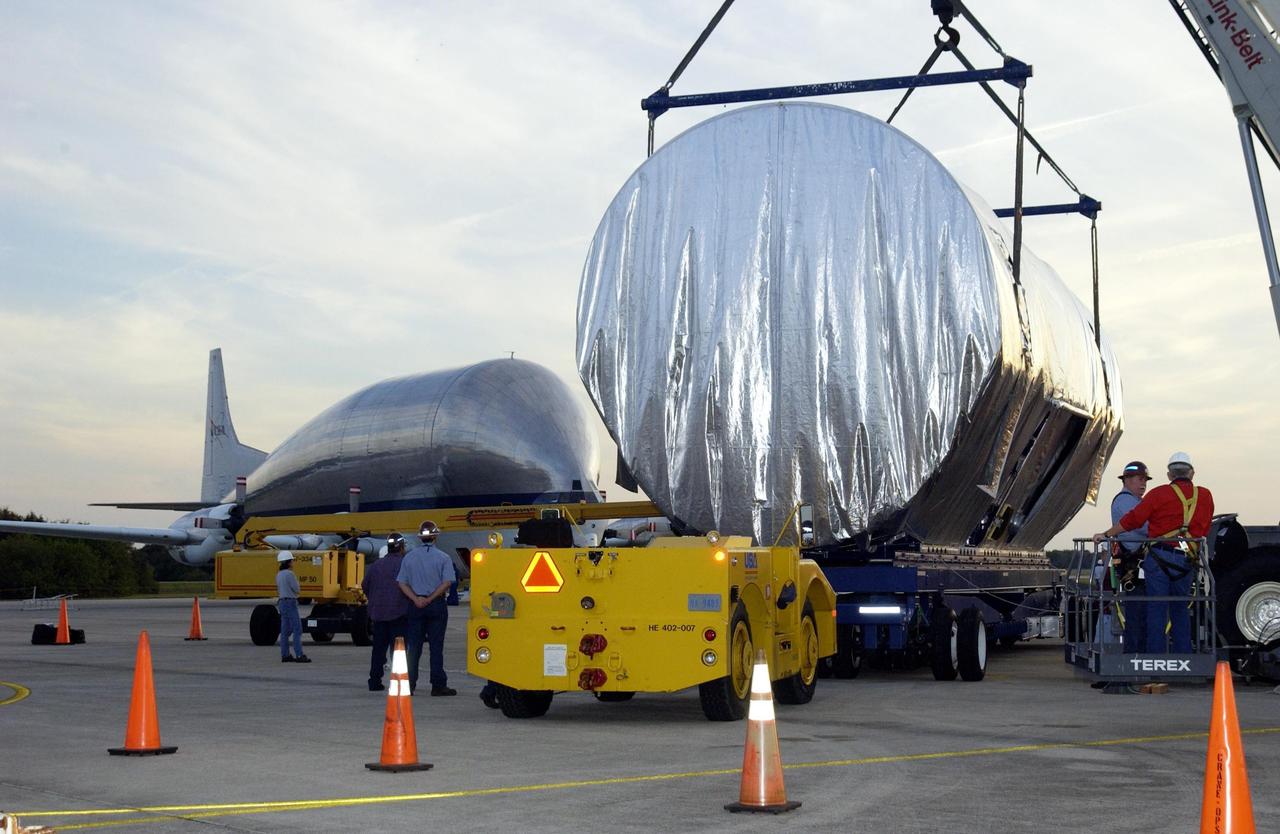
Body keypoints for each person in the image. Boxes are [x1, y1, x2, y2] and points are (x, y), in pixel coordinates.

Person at [1093, 452, 1214, 654]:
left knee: (1156, 609)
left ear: (1169, 475)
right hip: (1188, 558)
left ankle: (1154, 659)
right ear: (1191, 473)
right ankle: (1184, 658)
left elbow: (1133, 520)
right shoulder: (1205, 496)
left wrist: (1106, 534)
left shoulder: (1158, 494)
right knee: (1181, 609)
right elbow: (1205, 526)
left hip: (1159, 558)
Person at [397, 520, 456, 695]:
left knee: (413, 647)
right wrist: (430, 598)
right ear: (435, 536)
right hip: (436, 605)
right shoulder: (443, 557)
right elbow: (447, 583)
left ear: (420, 538)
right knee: (436, 647)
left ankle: (410, 685)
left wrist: (416, 599)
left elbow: (401, 583)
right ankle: (438, 685)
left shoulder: (409, 557)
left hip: (415, 606)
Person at [361, 533, 410, 691]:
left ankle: (374, 681)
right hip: (399, 614)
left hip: (379, 614)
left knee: (378, 650)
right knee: (399, 652)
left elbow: (365, 585)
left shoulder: (376, 565)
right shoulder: (405, 564)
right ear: (402, 547)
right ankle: (399, 683)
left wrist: (375, 600)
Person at [1110, 461, 1151, 654]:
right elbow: (1143, 526)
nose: (1143, 484)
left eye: (1145, 480)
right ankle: (1134, 654)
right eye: (1139, 479)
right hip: (1132, 565)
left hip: (1138, 563)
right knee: (1136, 611)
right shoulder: (1125, 501)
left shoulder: (1137, 502)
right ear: (1127, 480)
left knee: (1141, 611)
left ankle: (1137, 652)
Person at [276, 551, 310, 663]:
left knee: (285, 630)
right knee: (297, 629)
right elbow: (297, 589)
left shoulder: (279, 574)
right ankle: (299, 655)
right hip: (290, 602)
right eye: (292, 560)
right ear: (288, 562)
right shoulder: (290, 574)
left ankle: (285, 655)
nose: (293, 562)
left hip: (281, 602)